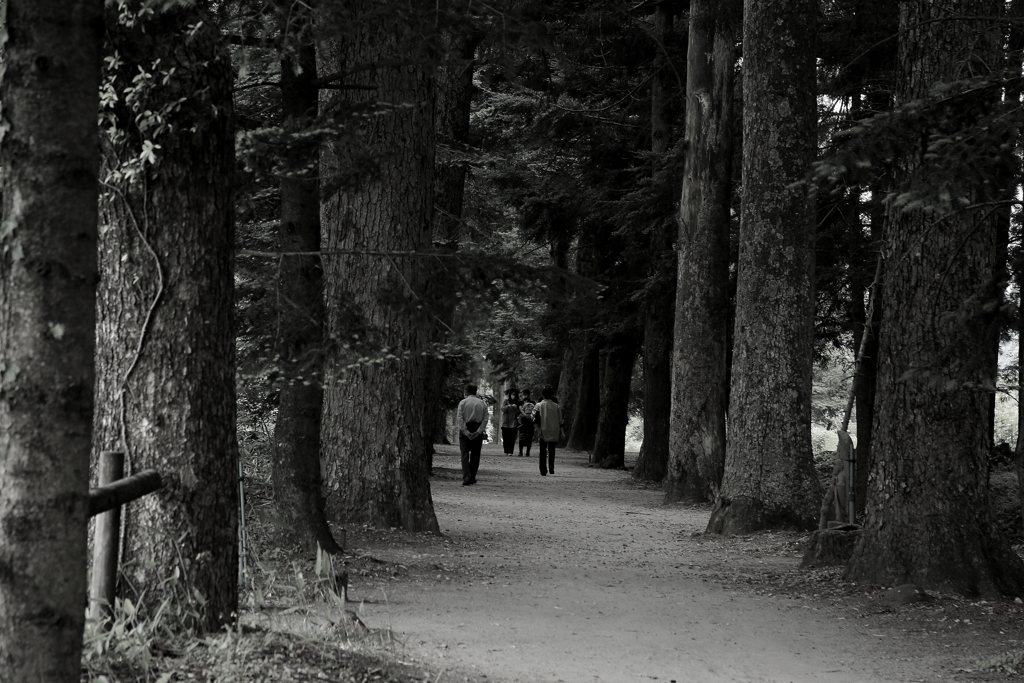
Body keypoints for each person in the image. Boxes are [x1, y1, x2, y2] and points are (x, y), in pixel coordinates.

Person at [456, 383, 488, 485]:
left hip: (466, 427)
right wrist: (479, 431)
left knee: (464, 453)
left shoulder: (462, 403)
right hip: (477, 427)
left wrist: (465, 431)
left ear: (466, 391)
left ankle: (466, 476)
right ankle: (472, 476)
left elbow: (460, 418)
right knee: (475, 453)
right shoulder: (482, 403)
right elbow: (485, 418)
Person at [533, 385, 563, 476]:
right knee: (552, 449)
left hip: (542, 430)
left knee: (543, 450)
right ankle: (551, 466)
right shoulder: (556, 406)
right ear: (552, 395)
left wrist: (537, 429)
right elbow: (560, 420)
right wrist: (562, 431)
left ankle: (543, 469)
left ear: (542, 394)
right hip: (554, 429)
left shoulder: (538, 405)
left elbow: (534, 418)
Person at [499, 388, 521, 456]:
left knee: (512, 438)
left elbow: (519, 412)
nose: (513, 396)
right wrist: (508, 406)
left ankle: (510, 451)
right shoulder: (506, 401)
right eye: (512, 394)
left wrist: (515, 408)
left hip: (513, 423)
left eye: (514, 394)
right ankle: (506, 450)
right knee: (505, 438)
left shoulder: (518, 402)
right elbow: (502, 409)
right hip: (505, 423)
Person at [517, 389, 536, 458]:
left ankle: (525, 452)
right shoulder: (521, 403)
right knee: (524, 438)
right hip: (526, 423)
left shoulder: (531, 403)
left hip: (526, 423)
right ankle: (523, 452)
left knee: (527, 438)